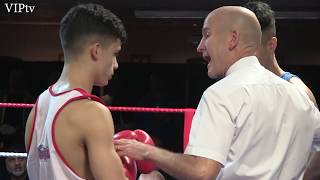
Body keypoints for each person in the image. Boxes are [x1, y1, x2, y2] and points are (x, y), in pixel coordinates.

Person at [114, 6, 320, 179]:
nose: (200, 47)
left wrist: (147, 151)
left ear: (232, 39)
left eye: (207, 35)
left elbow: (202, 172)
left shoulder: (222, 94)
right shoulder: (298, 96)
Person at [24, 3, 129, 179]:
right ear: (96, 50)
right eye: (114, 54)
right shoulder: (94, 113)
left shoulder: (38, 106)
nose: (116, 64)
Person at [242, 1, 320, 179]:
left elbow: (318, 151)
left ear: (271, 44)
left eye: (251, 48)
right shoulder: (241, 88)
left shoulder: (297, 91)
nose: (244, 56)